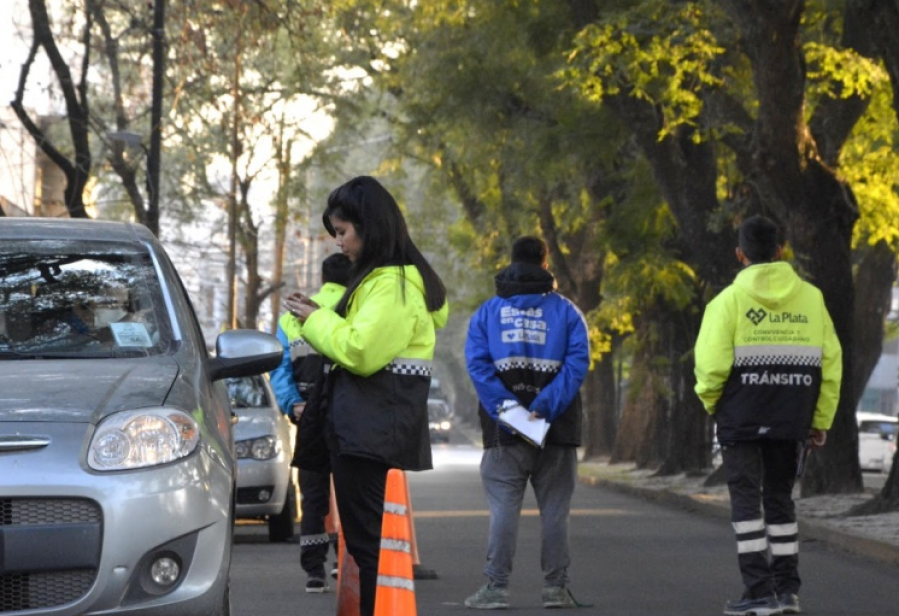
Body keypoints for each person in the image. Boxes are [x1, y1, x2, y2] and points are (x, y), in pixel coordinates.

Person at [285, 175, 448, 616]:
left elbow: (360, 351)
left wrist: (316, 320)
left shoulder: (393, 284)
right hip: (364, 426)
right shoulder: (383, 280)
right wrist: (321, 316)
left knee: (369, 544)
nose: (339, 243)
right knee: (364, 541)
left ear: (369, 227)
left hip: (368, 426)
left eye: (343, 232)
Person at [694, 215, 842, 616]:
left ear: (739, 254)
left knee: (746, 504)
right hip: (792, 417)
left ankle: (758, 593)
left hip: (740, 419)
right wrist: (821, 419)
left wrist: (715, 406)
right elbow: (831, 363)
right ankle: (787, 591)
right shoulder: (811, 299)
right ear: (781, 251)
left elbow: (710, 368)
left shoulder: (726, 302)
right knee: (781, 502)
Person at [463, 236, 590, 610]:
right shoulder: (568, 313)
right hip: (558, 428)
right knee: (555, 512)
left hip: (503, 432)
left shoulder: (486, 313)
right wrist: (545, 406)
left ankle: (496, 588)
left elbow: (478, 367)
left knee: (503, 509)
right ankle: (555, 589)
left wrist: (510, 409)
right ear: (546, 265)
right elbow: (577, 364)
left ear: (511, 263)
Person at [270, 252, 352, 592]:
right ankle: (346, 562)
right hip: (349, 415)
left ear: (323, 278)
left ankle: (314, 570)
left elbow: (278, 367)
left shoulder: (293, 315)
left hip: (309, 416)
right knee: (352, 492)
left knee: (314, 494)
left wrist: (294, 404)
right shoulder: (358, 308)